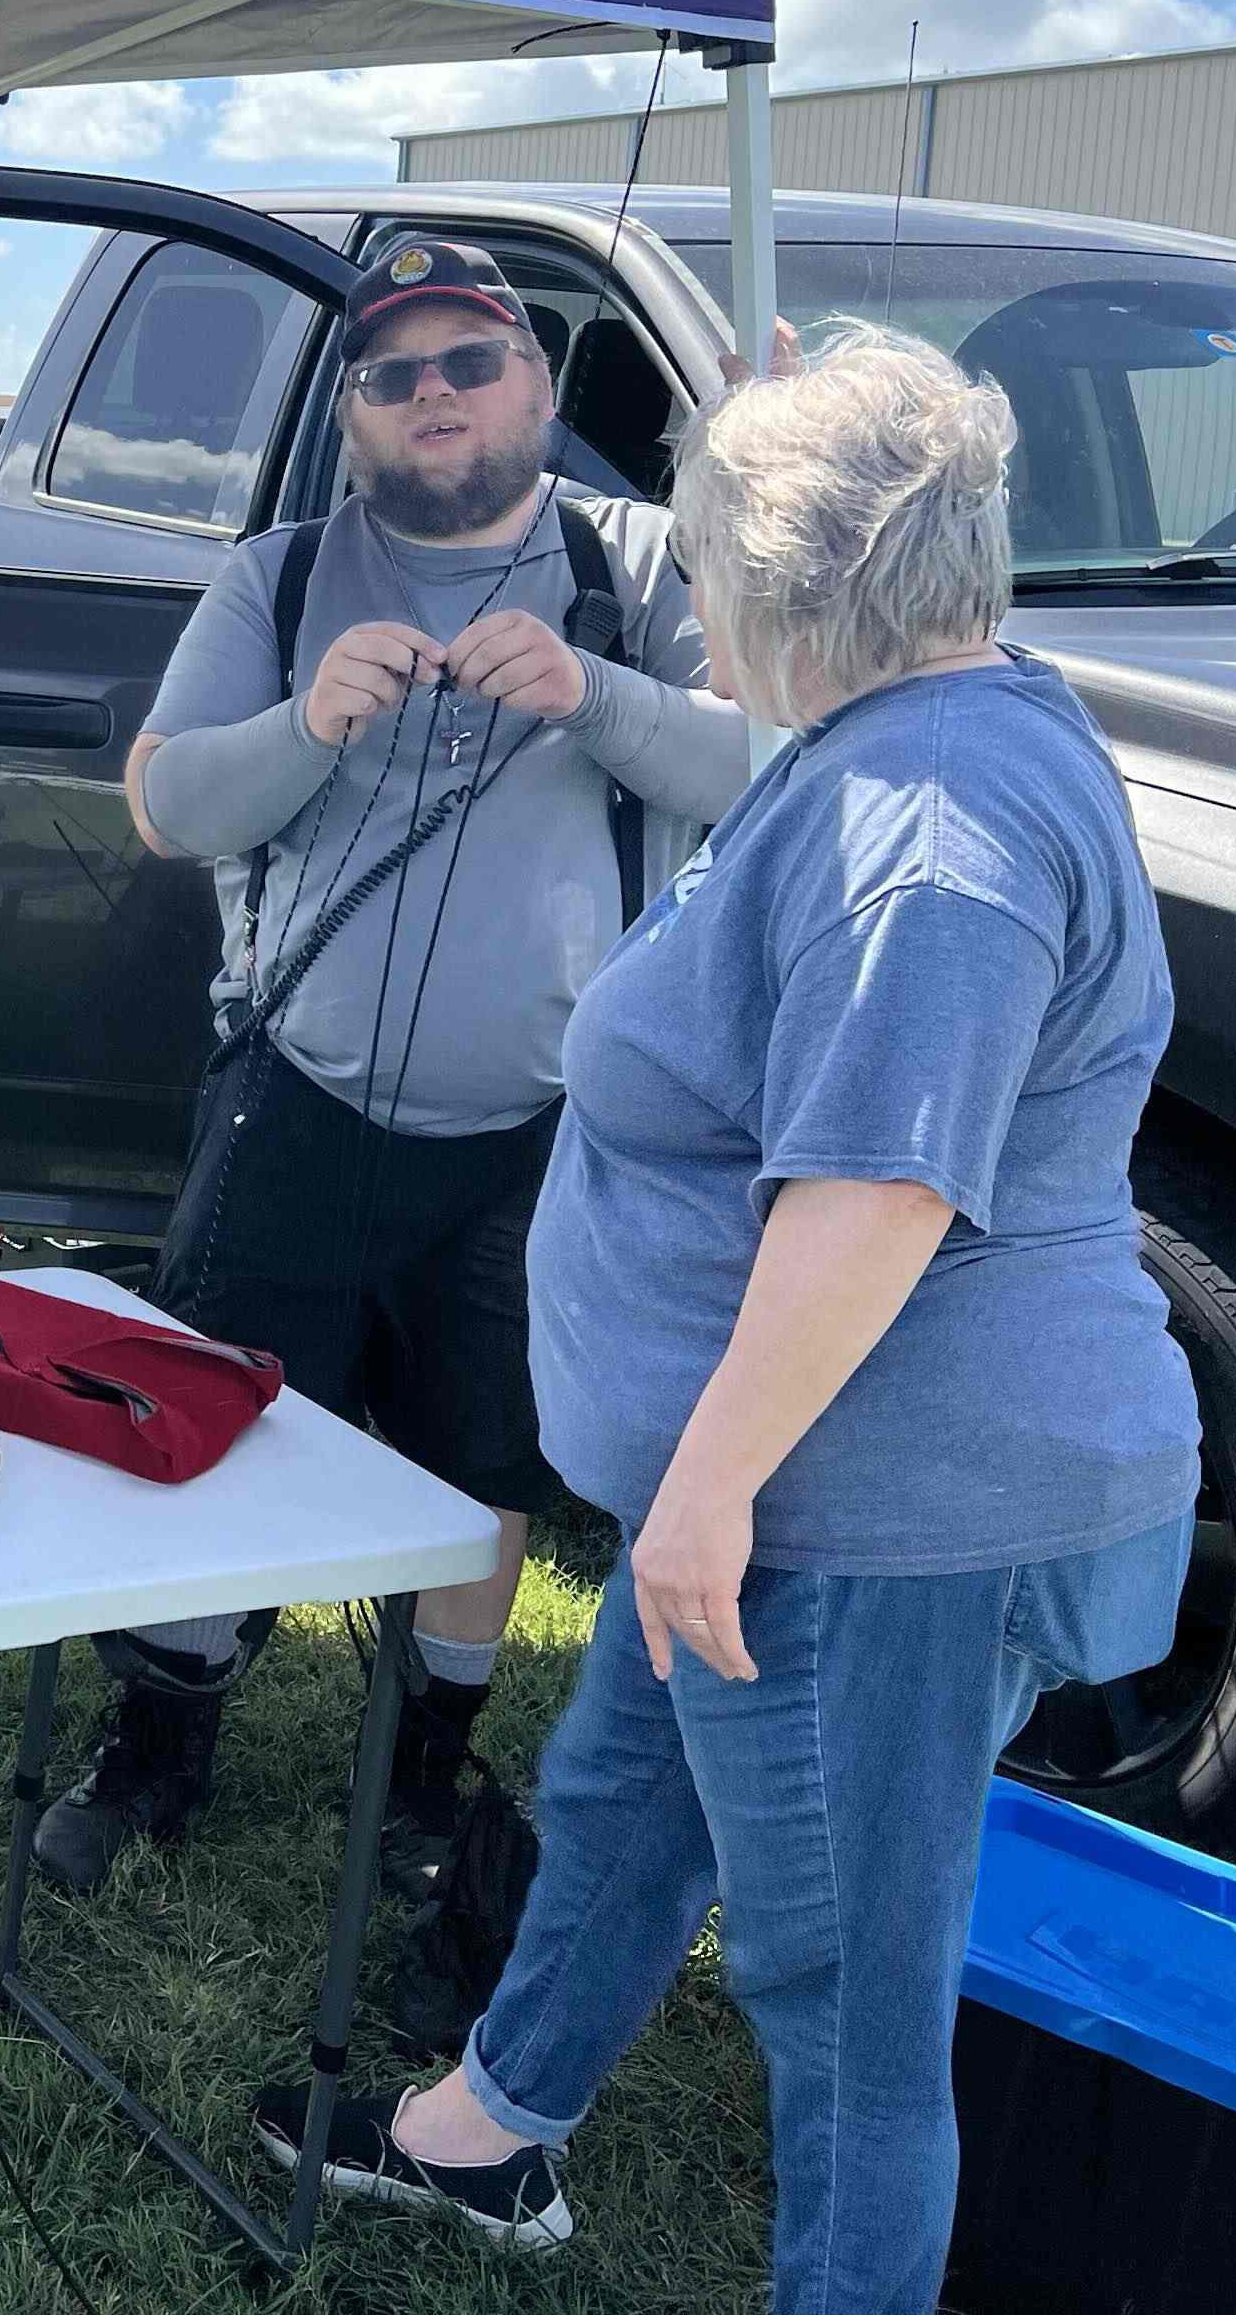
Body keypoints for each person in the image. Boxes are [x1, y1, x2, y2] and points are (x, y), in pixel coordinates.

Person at [266, 327, 1200, 2312]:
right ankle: (487, 2136)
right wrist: (793, 427)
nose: (692, 598)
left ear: (791, 588)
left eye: (711, 560)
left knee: (846, 1996)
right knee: (617, 1791)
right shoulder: (923, 726)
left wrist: (706, 1491)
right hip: (785, 1499)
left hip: (871, 1518)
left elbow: (883, 1190)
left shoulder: (926, 832)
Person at [50, 241, 753, 1893]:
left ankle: (428, 1769)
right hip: (296, 1093)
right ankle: (161, 1741)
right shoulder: (281, 580)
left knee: (481, 1467)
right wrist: (305, 727)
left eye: (469, 361)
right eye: (392, 374)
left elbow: (763, 766)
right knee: (207, 1428)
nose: (432, 396)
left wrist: (595, 695)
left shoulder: (642, 563)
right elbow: (164, 807)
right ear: (352, 415)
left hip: (542, 1131)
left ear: (538, 383)